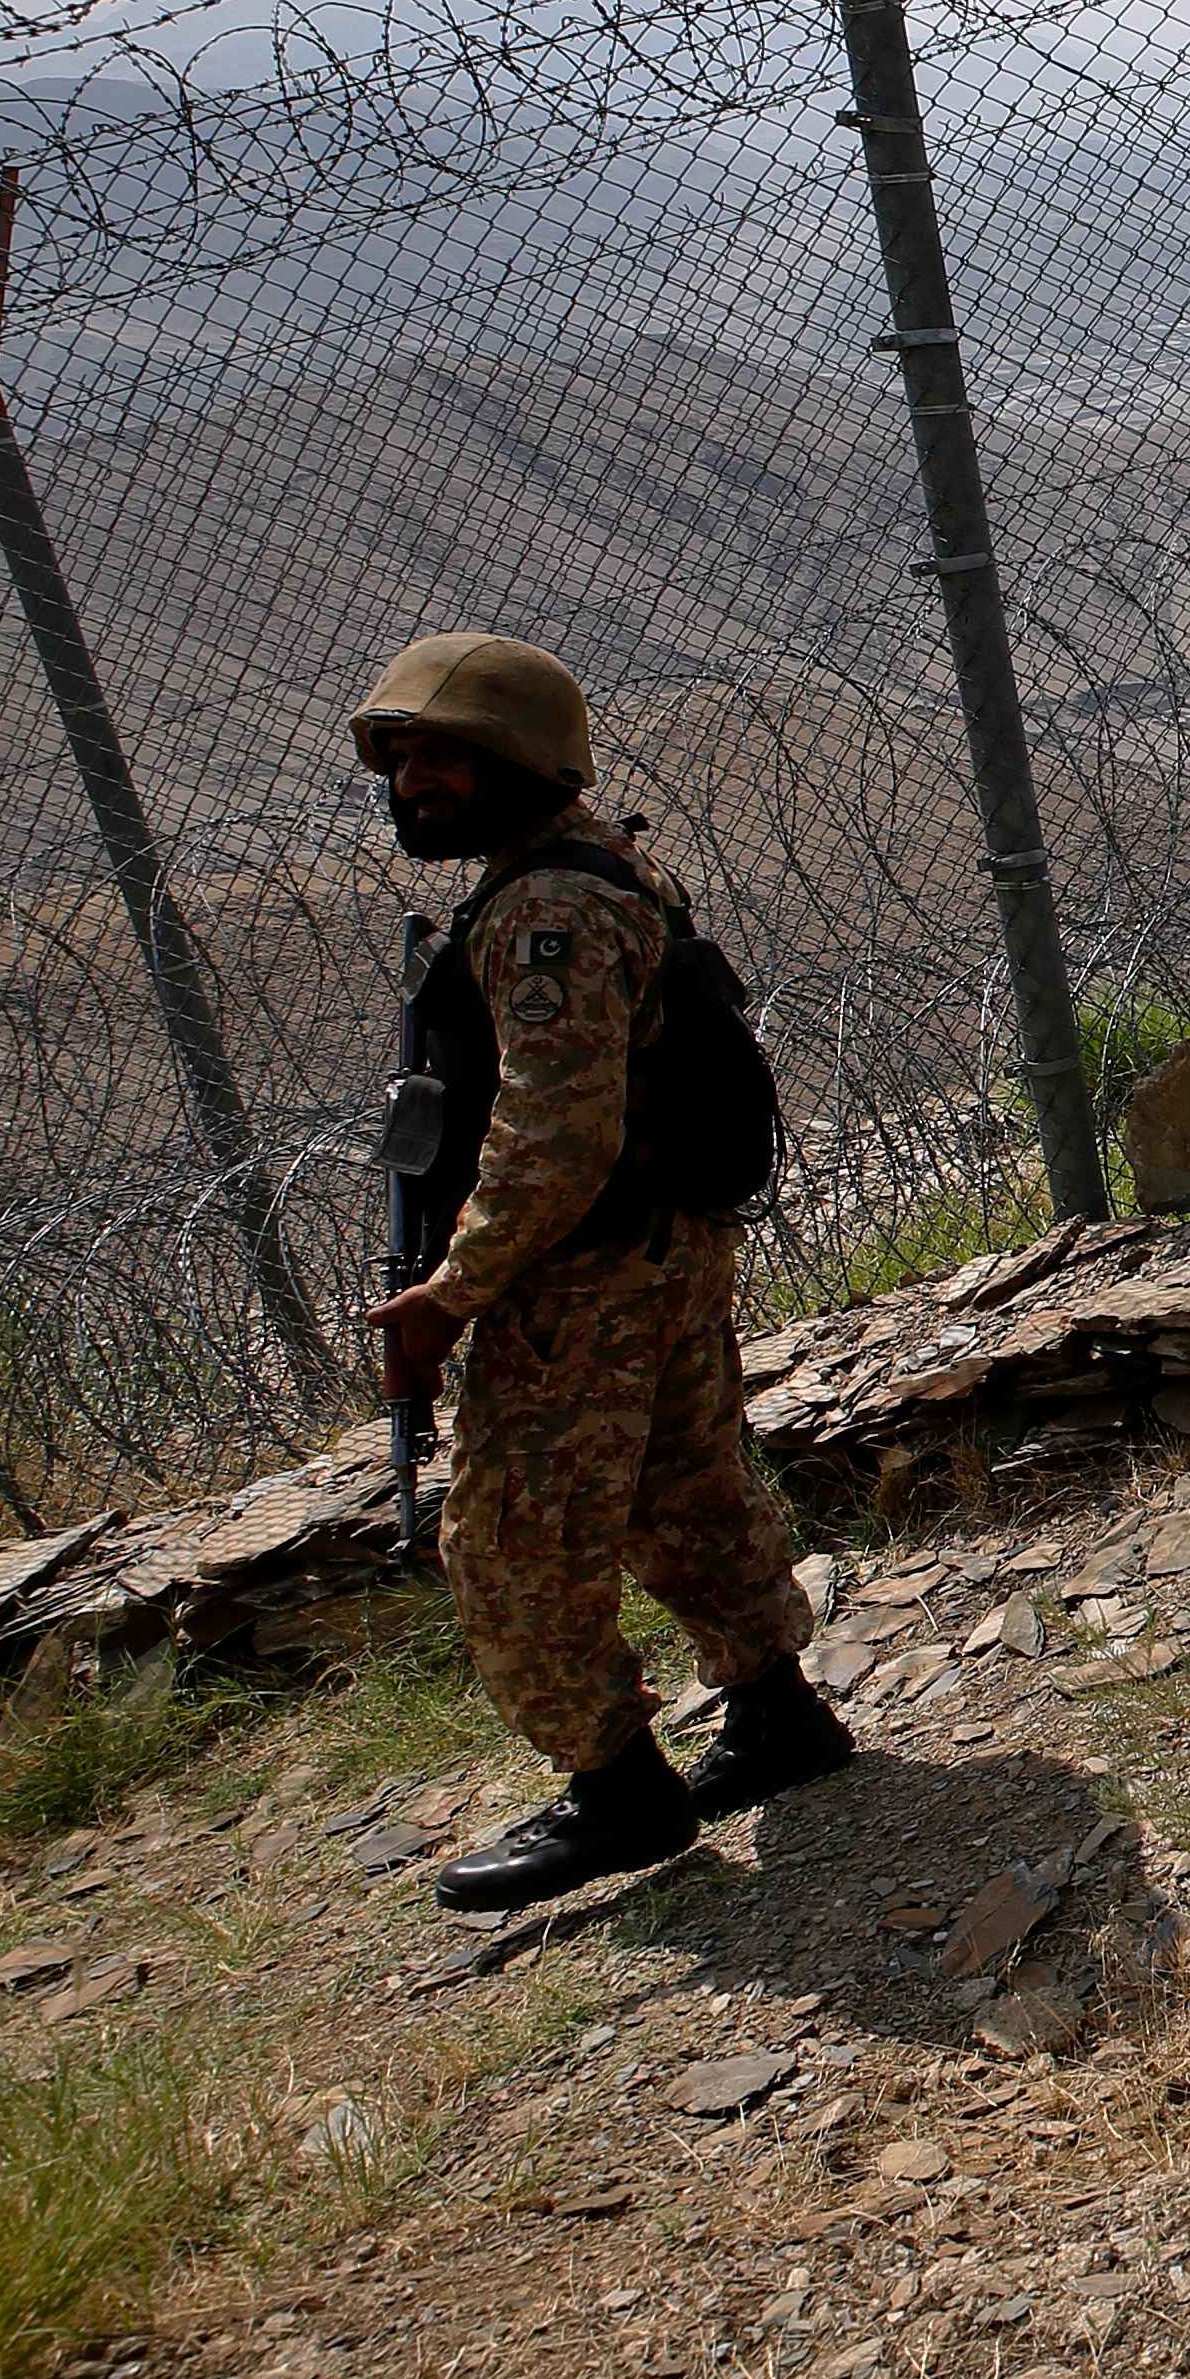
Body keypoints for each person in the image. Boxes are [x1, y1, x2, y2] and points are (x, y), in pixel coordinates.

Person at [350, 632, 849, 1911]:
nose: (415, 782)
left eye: (444, 758)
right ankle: (774, 1716)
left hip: (583, 1277)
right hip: (664, 1249)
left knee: (510, 1543)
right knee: (683, 1487)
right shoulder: (595, 861)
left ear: (521, 758)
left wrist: (449, 1295)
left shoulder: (545, 912)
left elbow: (555, 1133)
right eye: (400, 756)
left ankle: (619, 1792)